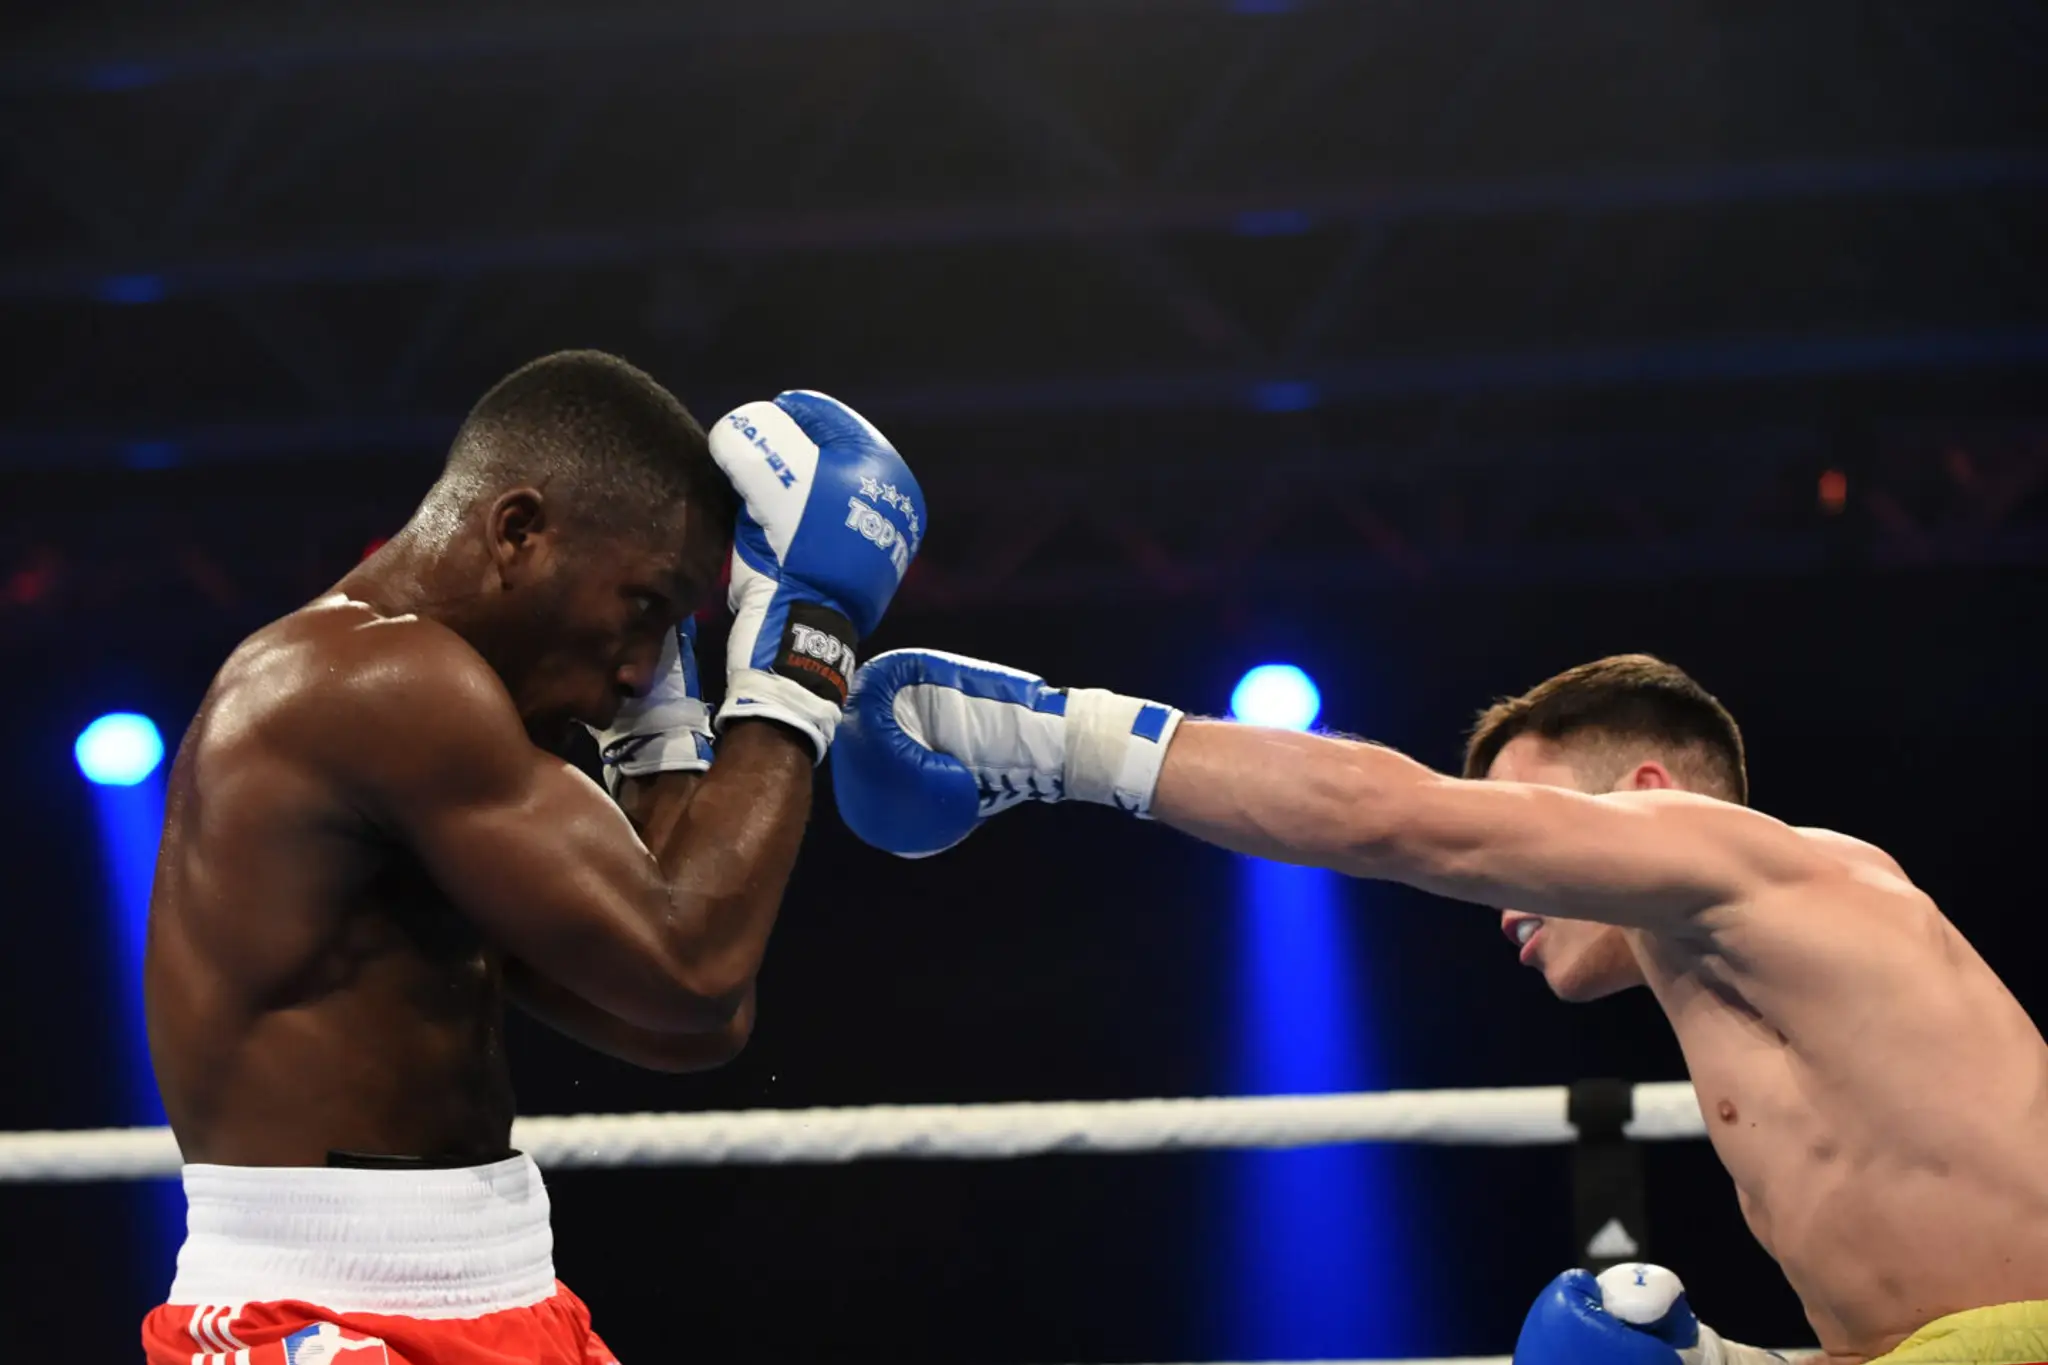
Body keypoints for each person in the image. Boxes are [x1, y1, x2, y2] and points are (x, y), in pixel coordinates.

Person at [830, 649, 2048, 1365]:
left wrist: (1056, 740)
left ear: (1644, 795)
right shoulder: (1749, 975)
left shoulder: (1763, 865)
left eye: (1536, 836)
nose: (1507, 895)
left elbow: (1393, 819)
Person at [141, 350, 925, 1364]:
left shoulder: (448, 746)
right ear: (517, 531)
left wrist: (661, 731)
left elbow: (695, 1017)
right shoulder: (374, 683)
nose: (642, 664)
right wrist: (802, 655)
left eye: (671, 630)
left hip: (507, 1292)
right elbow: (690, 968)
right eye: (642, 604)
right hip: (313, 1313)